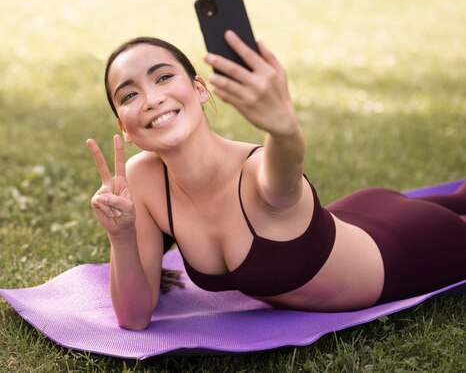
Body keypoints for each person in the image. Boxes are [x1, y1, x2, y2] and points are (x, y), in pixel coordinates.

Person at [85, 31, 466, 330]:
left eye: (164, 77)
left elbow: (285, 168)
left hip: (409, 248)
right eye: (130, 94)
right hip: (360, 212)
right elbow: (134, 318)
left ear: (199, 89)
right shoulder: (141, 179)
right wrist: (121, 236)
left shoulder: (259, 170)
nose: (151, 98)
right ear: (124, 127)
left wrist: (282, 127)